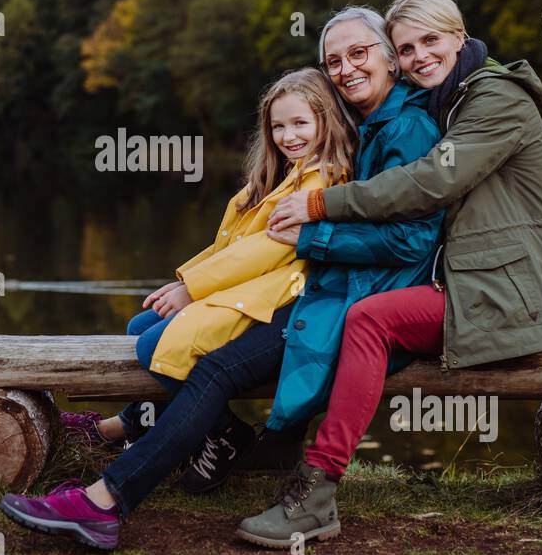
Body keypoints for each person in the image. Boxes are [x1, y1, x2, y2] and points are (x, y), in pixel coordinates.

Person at [0, 5, 441, 550]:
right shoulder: (368, 129)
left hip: (353, 301)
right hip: (328, 292)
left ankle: (106, 498)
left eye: (359, 53)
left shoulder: (405, 128)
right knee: (198, 359)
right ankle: (150, 459)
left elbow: (407, 241)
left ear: (390, 59)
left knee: (211, 369)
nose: (347, 68)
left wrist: (306, 236)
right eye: (334, 60)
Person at [237, 0, 542, 548]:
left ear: (460, 38)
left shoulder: (497, 101)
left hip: (511, 293)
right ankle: (273, 442)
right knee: (339, 312)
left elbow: (429, 182)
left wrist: (322, 207)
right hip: (470, 282)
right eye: (407, 48)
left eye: (431, 41)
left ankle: (315, 493)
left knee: (371, 318)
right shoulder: (448, 99)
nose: (419, 57)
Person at [62, 68, 354, 492]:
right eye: (278, 126)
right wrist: (182, 279)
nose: (288, 136)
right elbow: (228, 247)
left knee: (152, 346)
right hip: (244, 290)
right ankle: (139, 423)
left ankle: (223, 434)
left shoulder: (321, 180)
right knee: (139, 326)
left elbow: (270, 250)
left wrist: (194, 289)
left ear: (326, 122)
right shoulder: (276, 176)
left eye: (300, 124)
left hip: (273, 301)